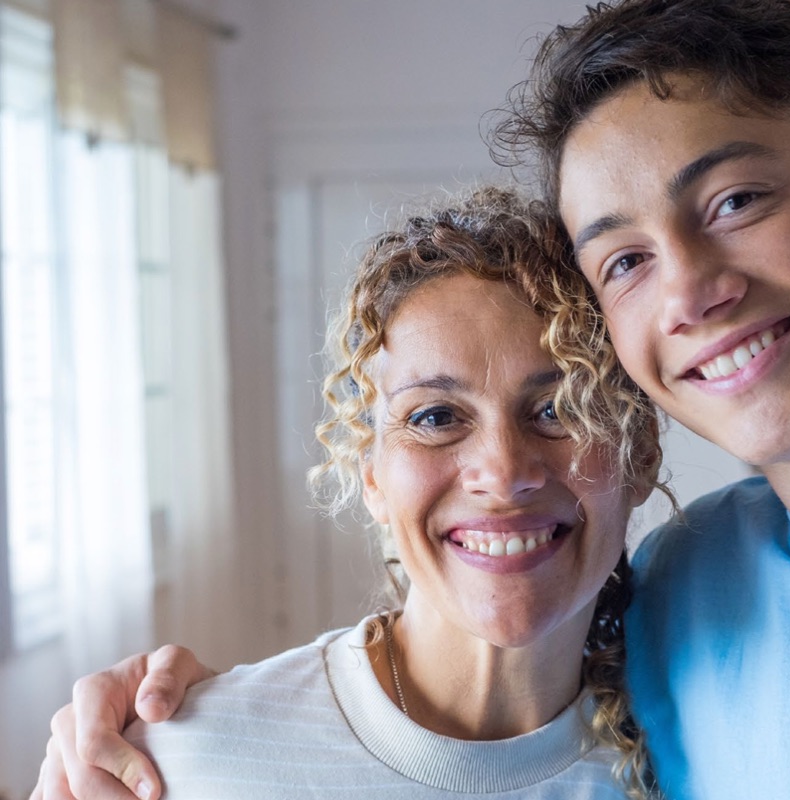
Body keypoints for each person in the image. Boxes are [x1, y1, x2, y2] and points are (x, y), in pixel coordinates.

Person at [29, 1, 790, 798]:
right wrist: (122, 732)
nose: (690, 287)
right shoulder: (671, 596)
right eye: (622, 256)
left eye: (734, 199)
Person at [82, 187, 665, 799]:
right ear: (371, 475)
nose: (503, 471)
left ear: (642, 451)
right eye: (436, 417)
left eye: (557, 408)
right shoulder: (183, 765)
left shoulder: (696, 761)